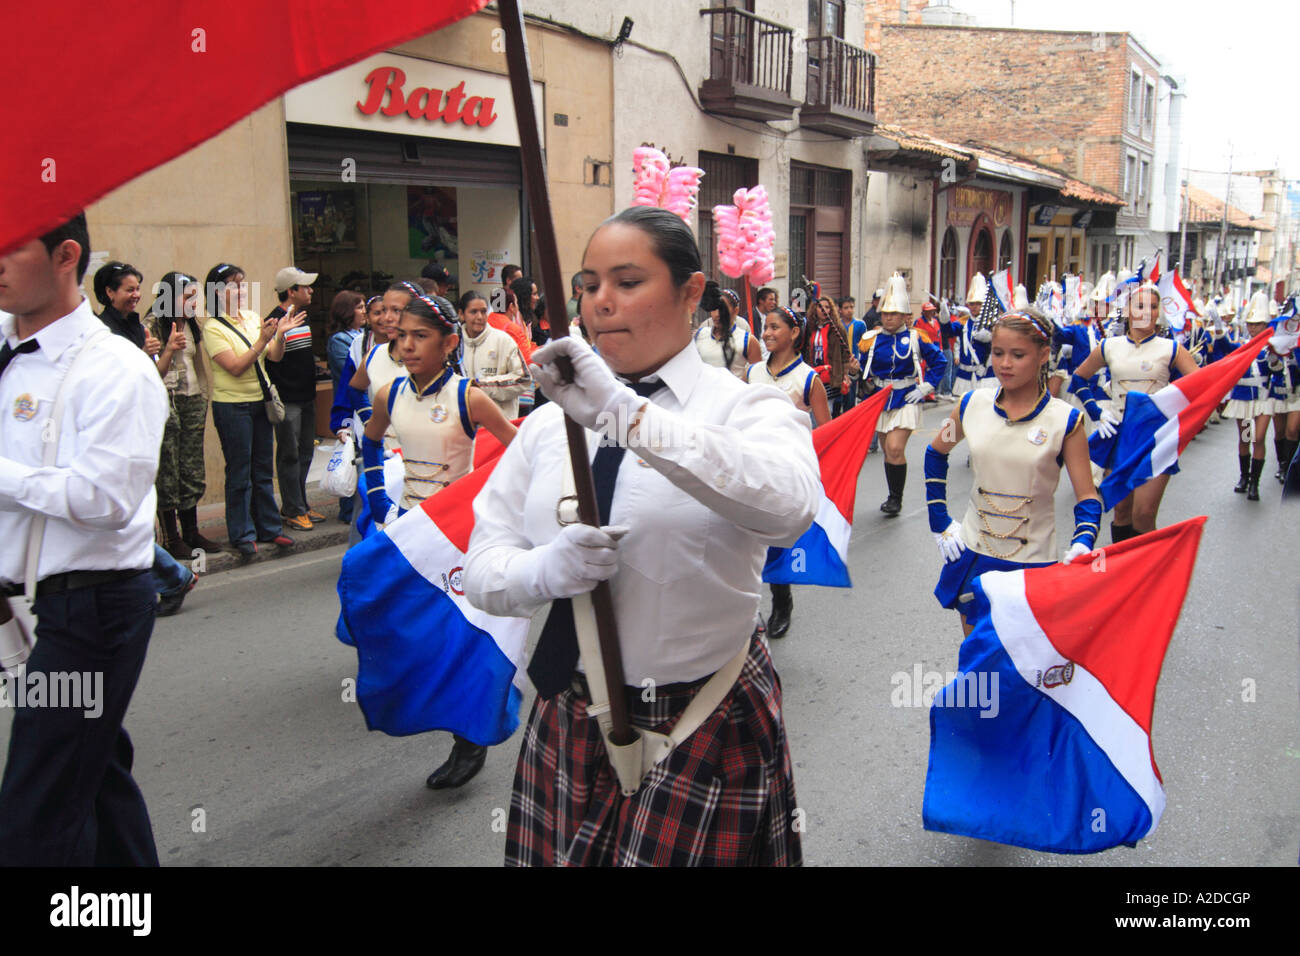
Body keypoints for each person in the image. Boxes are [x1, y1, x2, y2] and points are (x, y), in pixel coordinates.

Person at [464, 206, 818, 866]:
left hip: (702, 719)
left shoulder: (747, 405)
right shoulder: (548, 427)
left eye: (628, 282)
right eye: (588, 282)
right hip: (569, 719)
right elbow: (482, 566)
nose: (601, 302)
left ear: (690, 291)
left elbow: (789, 506)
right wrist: (545, 571)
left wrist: (625, 414)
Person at [0, 211, 168, 864]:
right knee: (93, 776)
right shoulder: (7, 346)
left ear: (65, 255)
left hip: (89, 605)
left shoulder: (115, 369)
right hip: (24, 603)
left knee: (37, 813)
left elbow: (104, 498)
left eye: (11, 247)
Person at [362, 292, 517, 791]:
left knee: (459, 638)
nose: (406, 345)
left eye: (419, 336)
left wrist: (496, 509)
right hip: (410, 530)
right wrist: (373, 500)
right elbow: (369, 438)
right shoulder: (388, 393)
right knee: (395, 619)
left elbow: (518, 452)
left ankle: (468, 739)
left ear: (449, 342)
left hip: (458, 536)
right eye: (401, 335)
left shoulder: (469, 397)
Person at [925, 310, 1102, 634]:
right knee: (977, 666)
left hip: (1032, 563)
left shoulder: (1065, 421)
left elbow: (1088, 495)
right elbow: (936, 453)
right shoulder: (970, 406)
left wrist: (1084, 540)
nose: (1005, 363)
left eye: (1018, 355)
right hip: (974, 556)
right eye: (998, 353)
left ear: (1043, 354)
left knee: (1020, 672)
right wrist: (939, 521)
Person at [99, 266, 199, 615]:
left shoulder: (135, 329)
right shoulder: (106, 330)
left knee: (112, 516)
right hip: (118, 424)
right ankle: (169, 570)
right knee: (111, 517)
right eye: (129, 288)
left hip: (131, 425)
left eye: (137, 288)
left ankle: (171, 574)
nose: (136, 294)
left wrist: (156, 353)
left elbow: (149, 375)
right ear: (109, 293)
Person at [1070, 281, 1199, 538]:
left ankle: (1148, 573)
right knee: (1122, 513)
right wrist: (1097, 412)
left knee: (1144, 515)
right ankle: (1123, 572)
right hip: (1119, 435)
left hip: (1156, 438)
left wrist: (1179, 420)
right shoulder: (1110, 346)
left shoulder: (1171, 348)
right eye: (1140, 306)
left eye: (1153, 306)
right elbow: (1078, 378)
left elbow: (1200, 386)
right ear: (1127, 310)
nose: (1147, 312)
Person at [745, 305, 829, 640]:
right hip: (752, 467)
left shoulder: (808, 379)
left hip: (786, 474)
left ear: (794, 333)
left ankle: (782, 602)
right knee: (744, 541)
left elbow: (826, 431)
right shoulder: (751, 374)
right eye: (764, 327)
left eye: (774, 327)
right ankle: (747, 608)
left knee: (778, 542)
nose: (766, 333)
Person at [201, 262, 296, 555]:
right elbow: (236, 367)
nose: (240, 290)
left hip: (260, 402)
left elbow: (275, 357)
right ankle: (242, 533)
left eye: (242, 283)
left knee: (263, 468)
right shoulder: (213, 327)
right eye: (232, 285)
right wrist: (262, 340)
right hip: (232, 407)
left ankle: (270, 527)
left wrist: (280, 335)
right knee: (240, 472)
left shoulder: (252, 317)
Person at [145, 272, 222, 558]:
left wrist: (203, 396)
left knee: (191, 469)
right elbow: (151, 373)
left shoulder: (192, 325)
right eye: (187, 295)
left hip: (191, 401)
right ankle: (171, 537)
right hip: (166, 404)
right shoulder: (151, 325)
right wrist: (167, 348)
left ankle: (191, 531)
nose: (193, 302)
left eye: (195, 296)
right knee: (168, 471)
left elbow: (198, 365)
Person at [858, 274, 947, 515]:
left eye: (894, 314)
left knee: (896, 448)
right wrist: (855, 370)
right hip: (880, 399)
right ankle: (892, 495)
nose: (888, 318)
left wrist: (925, 387)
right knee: (889, 451)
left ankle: (896, 499)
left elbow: (940, 361)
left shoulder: (917, 337)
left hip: (907, 396)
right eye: (885, 313)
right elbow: (862, 369)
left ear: (905, 315)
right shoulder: (871, 340)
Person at [266, 267, 321, 531]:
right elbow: (273, 361)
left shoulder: (303, 318)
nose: (310, 291)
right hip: (288, 400)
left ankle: (301, 503)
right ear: (291, 291)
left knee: (306, 453)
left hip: (307, 397)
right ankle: (292, 508)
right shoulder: (274, 322)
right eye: (305, 287)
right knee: (290, 454)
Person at [1222, 293, 1274, 500]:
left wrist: (1276, 363)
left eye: (1258, 324)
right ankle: (1244, 477)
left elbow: (1277, 373)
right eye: (1251, 324)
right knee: (1245, 438)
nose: (1253, 328)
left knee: (1258, 438)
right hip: (1243, 398)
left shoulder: (1273, 346)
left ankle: (1255, 482)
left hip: (1263, 397)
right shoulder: (1242, 344)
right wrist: (1219, 332)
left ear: (1265, 324)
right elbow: (1225, 350)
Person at [458, 289, 529, 418]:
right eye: (473, 312)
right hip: (466, 428)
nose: (479, 317)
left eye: (483, 311)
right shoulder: (453, 345)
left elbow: (524, 379)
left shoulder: (504, 340)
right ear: (461, 314)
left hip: (500, 427)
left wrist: (483, 385)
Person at [693, 282, 760, 379]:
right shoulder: (699, 335)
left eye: (722, 309)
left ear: (736, 310)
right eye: (714, 309)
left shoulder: (748, 341)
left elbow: (758, 376)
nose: (717, 314)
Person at [803, 294, 855, 417]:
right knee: (812, 409)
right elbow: (804, 351)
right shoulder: (809, 328)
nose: (824, 310)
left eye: (827, 307)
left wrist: (845, 374)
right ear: (815, 309)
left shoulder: (837, 329)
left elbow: (844, 354)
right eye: (821, 307)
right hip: (813, 372)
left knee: (827, 410)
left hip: (831, 375)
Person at [1268, 339, 1300, 484]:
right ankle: (1281, 464)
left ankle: (1288, 468)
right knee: (1278, 431)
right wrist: (1274, 360)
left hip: (1296, 392)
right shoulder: (1274, 341)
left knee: (1292, 430)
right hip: (1276, 392)